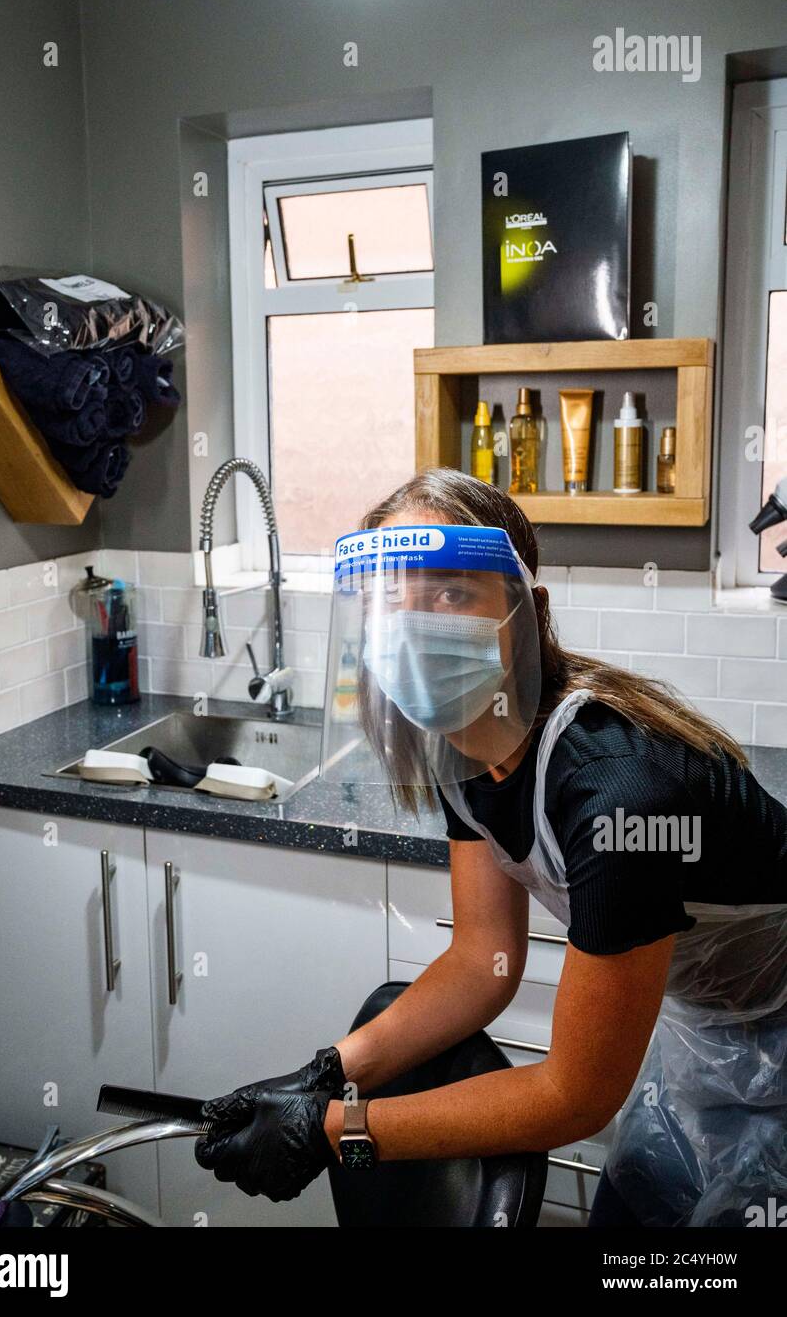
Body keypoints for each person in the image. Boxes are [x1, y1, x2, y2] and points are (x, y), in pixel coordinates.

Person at [195, 469, 787, 1227]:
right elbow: (482, 963)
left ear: (525, 610)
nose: (413, 625)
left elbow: (573, 1095)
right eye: (391, 603)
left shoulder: (621, 794)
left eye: (450, 593)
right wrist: (327, 1074)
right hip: (710, 1035)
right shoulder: (464, 750)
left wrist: (336, 1134)